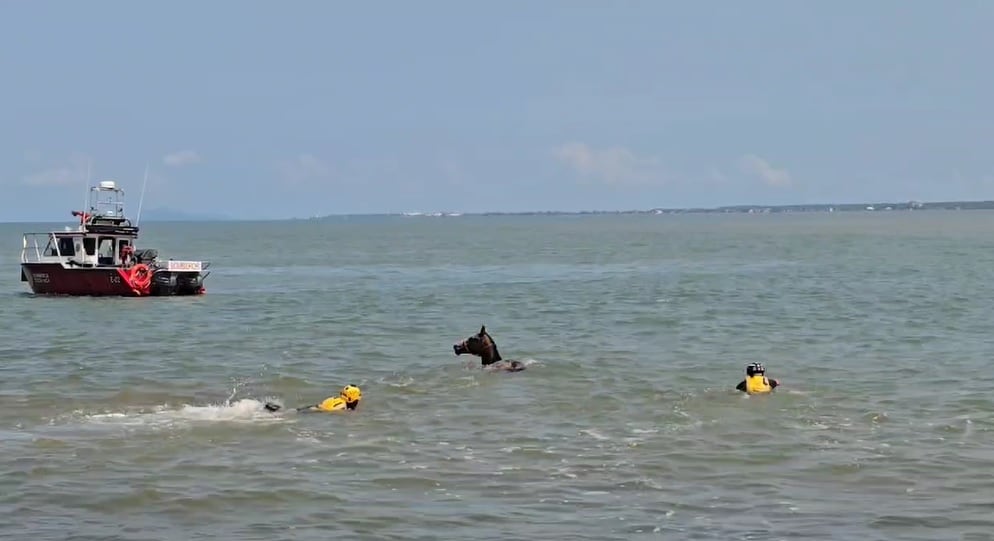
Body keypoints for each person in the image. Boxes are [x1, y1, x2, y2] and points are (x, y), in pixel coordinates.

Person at [264, 384, 362, 413]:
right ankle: (277, 411)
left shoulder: (337, 399)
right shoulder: (342, 406)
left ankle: (276, 409)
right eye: (357, 399)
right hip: (317, 411)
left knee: (295, 411)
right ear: (352, 399)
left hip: (316, 407)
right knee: (290, 413)